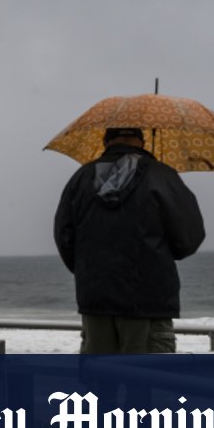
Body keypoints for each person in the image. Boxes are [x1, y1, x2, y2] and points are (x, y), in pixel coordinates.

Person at [54, 127, 205, 353]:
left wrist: (90, 271)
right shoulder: (162, 176)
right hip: (149, 300)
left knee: (100, 382)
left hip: (96, 299)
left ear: (106, 142)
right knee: (148, 380)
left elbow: (64, 237)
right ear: (142, 142)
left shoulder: (81, 179)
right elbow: (189, 238)